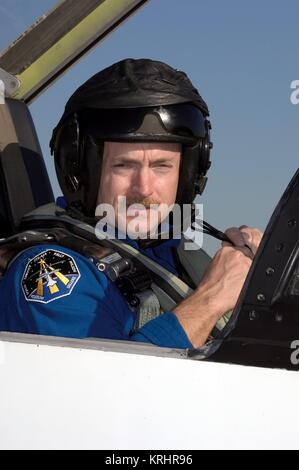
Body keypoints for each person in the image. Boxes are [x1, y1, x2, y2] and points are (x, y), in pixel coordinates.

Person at [0, 58, 262, 349]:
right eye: (124, 165)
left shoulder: (175, 256)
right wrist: (212, 298)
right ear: (80, 171)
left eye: (162, 166)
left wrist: (264, 281)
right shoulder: (51, 273)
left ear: (189, 175)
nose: (144, 189)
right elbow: (99, 390)